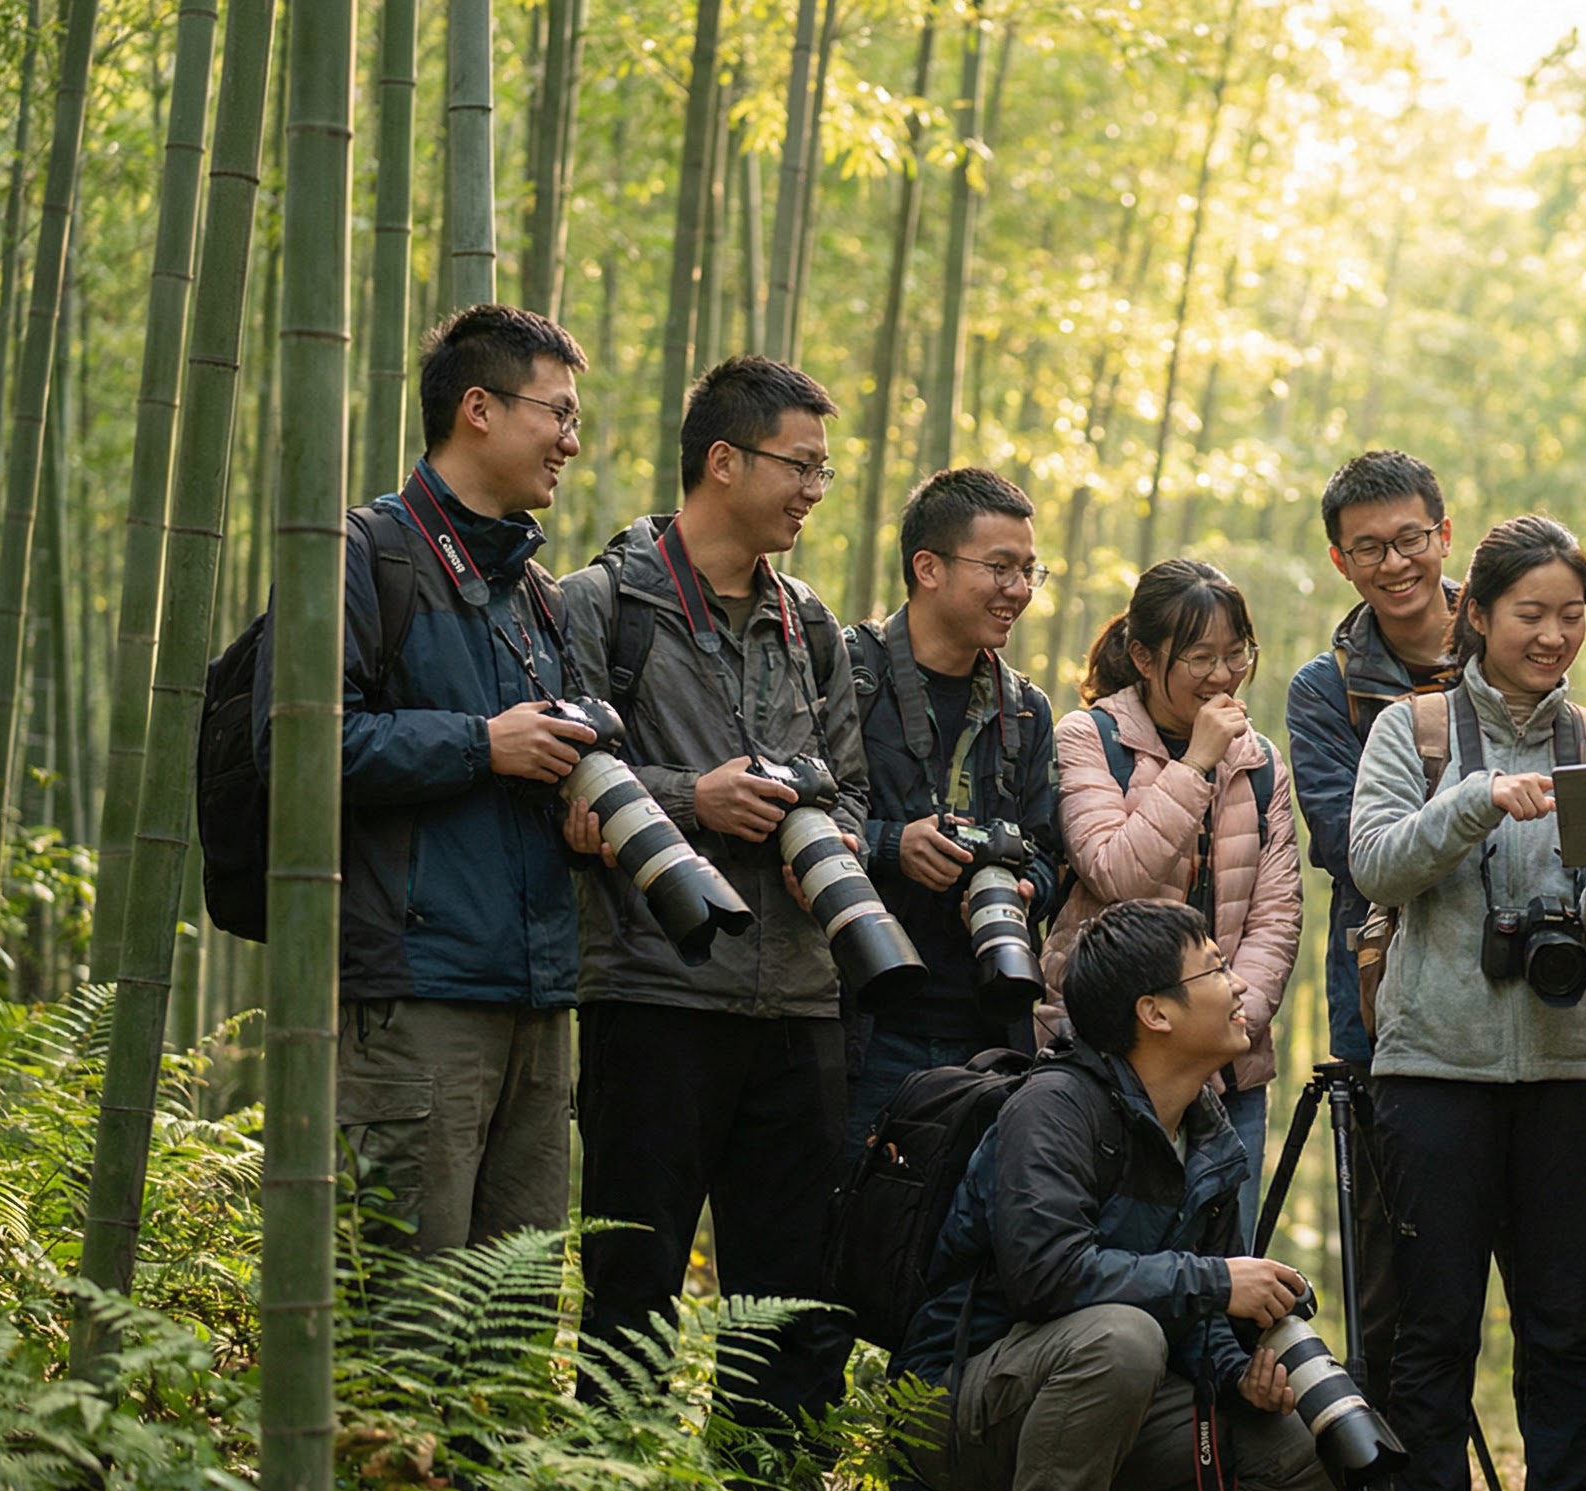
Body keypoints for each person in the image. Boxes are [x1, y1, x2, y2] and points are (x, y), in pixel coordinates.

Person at [559, 355, 868, 1433]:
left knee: (789, 1300)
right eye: (801, 466)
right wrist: (699, 797)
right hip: (654, 993)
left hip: (799, 998)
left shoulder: (813, 624)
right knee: (631, 1291)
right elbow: (563, 778)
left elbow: (855, 788)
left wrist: (825, 840)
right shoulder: (602, 605)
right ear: (723, 461)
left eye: (826, 472)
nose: (814, 491)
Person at [1349, 514, 1586, 1491]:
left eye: (1571, 614)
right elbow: (1377, 865)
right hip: (1433, 1068)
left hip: (1572, 1071)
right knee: (1432, 1326)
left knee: (1566, 1326)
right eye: (1530, 613)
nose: (1553, 634)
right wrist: (1479, 799)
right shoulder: (1415, 731)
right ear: (1476, 615)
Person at [257, 304, 593, 1254]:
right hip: (416, 996)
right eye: (557, 414)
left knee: (509, 1326)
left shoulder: (539, 596)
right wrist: (482, 745)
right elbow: (302, 747)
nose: (572, 442)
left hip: (536, 995)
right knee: (408, 1318)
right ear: (478, 408)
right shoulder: (362, 553)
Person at [904, 898, 1343, 1491]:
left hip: (1105, 1400)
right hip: (958, 1402)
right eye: (1217, 970)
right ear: (1155, 1012)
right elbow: (1045, 1276)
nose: (1240, 982)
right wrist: (1218, 1281)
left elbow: (1197, 1321)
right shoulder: (1055, 1108)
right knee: (1123, 1341)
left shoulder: (1207, 1129)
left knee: (1313, 1438)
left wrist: (1236, 1374)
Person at [1282, 447, 1463, 1491]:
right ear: (1339, 559)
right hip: (1383, 1010)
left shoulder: (1513, 643)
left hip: (1516, 1011)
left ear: (1443, 534)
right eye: (1368, 546)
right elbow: (1350, 845)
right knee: (1392, 1291)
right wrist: (1483, 812)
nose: (1393, 562)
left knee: (1542, 1289)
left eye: (1410, 538)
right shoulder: (1322, 688)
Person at [1041, 558, 1300, 1233]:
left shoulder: (1264, 761)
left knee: (1223, 1273)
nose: (1223, 675)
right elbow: (1115, 873)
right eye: (1200, 658)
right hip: (1106, 1063)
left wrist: (1218, 1033)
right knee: (1111, 1258)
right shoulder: (1089, 737)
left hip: (1229, 1071)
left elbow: (1276, 916)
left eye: (1236, 653)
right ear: (1143, 656)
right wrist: (1194, 765)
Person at [845, 466, 1066, 1139]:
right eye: (1000, 567)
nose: (1020, 590)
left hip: (986, 1028)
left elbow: (1051, 853)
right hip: (861, 1023)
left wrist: (1025, 886)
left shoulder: (1025, 709)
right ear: (928, 567)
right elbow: (806, 814)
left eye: (1030, 570)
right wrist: (894, 846)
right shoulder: (849, 675)